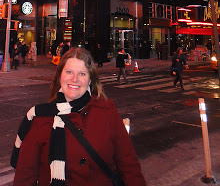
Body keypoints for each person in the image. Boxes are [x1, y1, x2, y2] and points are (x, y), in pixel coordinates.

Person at [11, 47, 146, 186]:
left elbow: (129, 165)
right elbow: (24, 177)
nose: (74, 79)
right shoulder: (40, 118)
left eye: (82, 74)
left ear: (90, 80)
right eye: (69, 72)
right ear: (60, 76)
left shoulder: (107, 111)